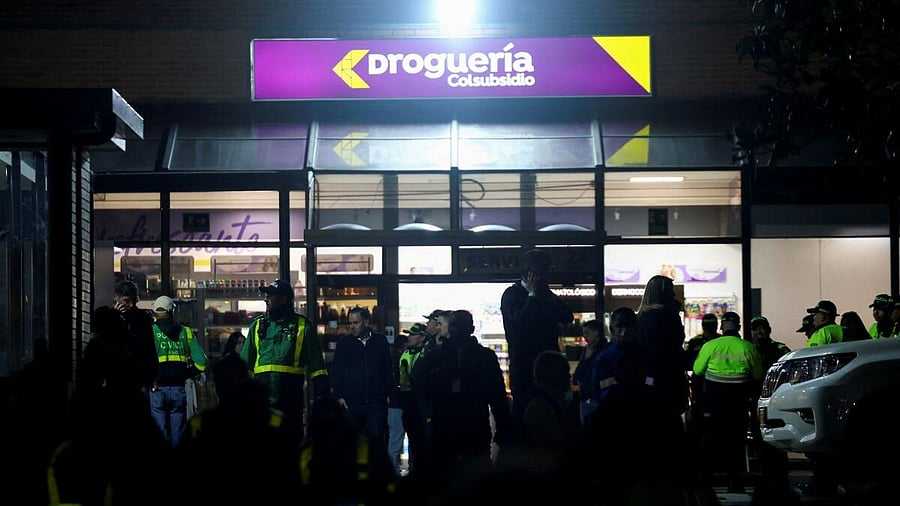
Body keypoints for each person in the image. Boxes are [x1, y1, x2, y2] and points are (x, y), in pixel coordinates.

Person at [412, 309, 513, 484]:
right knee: (474, 476)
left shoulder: (436, 356)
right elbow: (497, 396)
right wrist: (503, 427)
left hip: (452, 425)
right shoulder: (483, 357)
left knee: (446, 477)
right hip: (468, 424)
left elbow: (419, 388)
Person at [239, 279, 330, 447]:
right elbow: (245, 367)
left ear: (284, 299)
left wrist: (322, 394)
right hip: (263, 400)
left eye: (270, 296)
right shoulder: (257, 326)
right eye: (266, 295)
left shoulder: (303, 327)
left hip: (290, 399)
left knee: (290, 445)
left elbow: (317, 366)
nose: (266, 299)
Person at [501, 249, 574, 426]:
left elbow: (567, 316)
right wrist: (533, 296)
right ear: (531, 274)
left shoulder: (546, 295)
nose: (548, 277)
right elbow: (519, 323)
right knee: (525, 413)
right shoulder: (512, 295)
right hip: (524, 366)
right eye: (544, 273)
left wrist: (544, 294)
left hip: (548, 364)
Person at [693, 311, 763, 494]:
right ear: (739, 327)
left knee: (709, 441)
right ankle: (736, 482)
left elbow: (698, 371)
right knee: (736, 443)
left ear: (721, 327)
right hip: (738, 405)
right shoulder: (748, 348)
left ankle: (705, 483)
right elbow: (757, 375)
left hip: (713, 404)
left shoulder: (710, 346)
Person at [330, 306, 394, 449]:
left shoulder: (380, 341)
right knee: (351, 444)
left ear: (366, 322)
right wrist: (339, 396)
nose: (352, 327)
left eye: (356, 323)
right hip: (351, 403)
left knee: (376, 443)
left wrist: (389, 394)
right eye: (350, 323)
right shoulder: (344, 344)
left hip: (376, 402)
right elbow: (337, 370)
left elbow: (387, 369)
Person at [149, 295, 208, 447]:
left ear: (156, 312)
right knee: (178, 436)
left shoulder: (150, 332)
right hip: (179, 389)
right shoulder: (186, 332)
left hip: (156, 389)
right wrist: (187, 373)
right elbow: (202, 361)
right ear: (172, 312)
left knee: (159, 435)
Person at [747, 315, 794, 502]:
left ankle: (780, 478)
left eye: (762, 328)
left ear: (769, 330)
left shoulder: (780, 349)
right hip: (756, 401)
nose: (759, 333)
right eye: (755, 329)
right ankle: (767, 475)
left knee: (777, 438)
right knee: (760, 439)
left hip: (777, 400)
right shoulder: (749, 350)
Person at [112, 280, 159, 399]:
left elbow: (150, 348)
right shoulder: (110, 319)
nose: (131, 305)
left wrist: (153, 376)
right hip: (118, 375)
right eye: (126, 301)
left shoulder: (143, 318)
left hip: (139, 374)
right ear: (117, 299)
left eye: (133, 301)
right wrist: (116, 318)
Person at [398, 322, 429, 476]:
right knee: (414, 440)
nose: (409, 337)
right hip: (409, 404)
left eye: (413, 334)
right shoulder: (406, 354)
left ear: (422, 337)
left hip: (422, 405)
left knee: (423, 442)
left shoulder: (427, 353)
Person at [571, 319, 606, 426]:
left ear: (596, 332)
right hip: (588, 396)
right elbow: (578, 375)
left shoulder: (604, 351)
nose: (584, 336)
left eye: (587, 332)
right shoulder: (587, 350)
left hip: (596, 397)